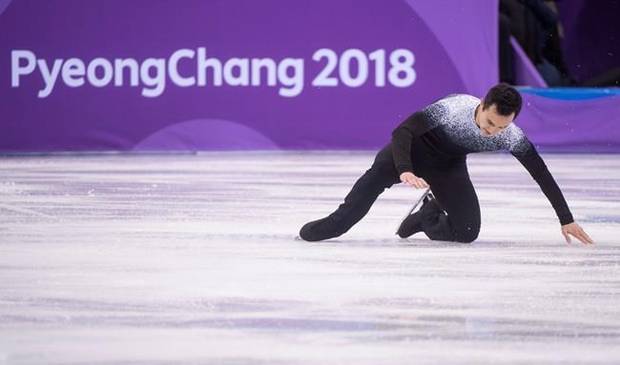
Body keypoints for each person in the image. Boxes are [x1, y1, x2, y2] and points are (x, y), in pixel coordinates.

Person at [299, 84, 593, 245]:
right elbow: (403, 131)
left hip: (447, 166)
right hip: (409, 153)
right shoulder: (452, 109)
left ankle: (426, 215)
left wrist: (565, 218)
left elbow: (540, 173)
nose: (491, 132)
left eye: (501, 127)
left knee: (467, 233)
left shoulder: (511, 136)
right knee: (342, 221)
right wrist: (405, 170)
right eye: (490, 122)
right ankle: (325, 227)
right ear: (481, 104)